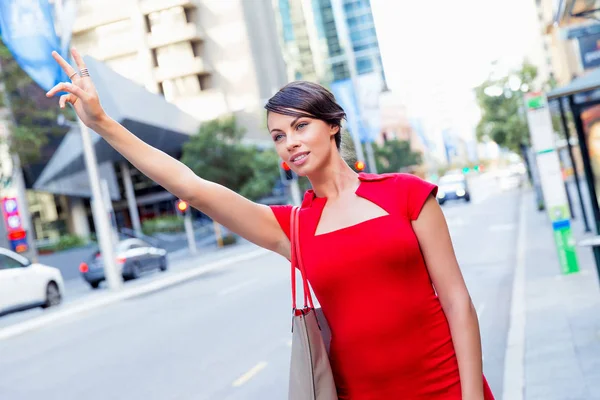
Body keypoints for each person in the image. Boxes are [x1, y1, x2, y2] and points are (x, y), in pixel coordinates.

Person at [47, 49, 494, 400]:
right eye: (278, 136)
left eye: (301, 126)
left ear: (333, 125)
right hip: (358, 393)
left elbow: (456, 301)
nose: (290, 143)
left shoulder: (406, 194)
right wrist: (103, 123)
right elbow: (193, 187)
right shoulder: (292, 227)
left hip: (447, 386)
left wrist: (471, 394)